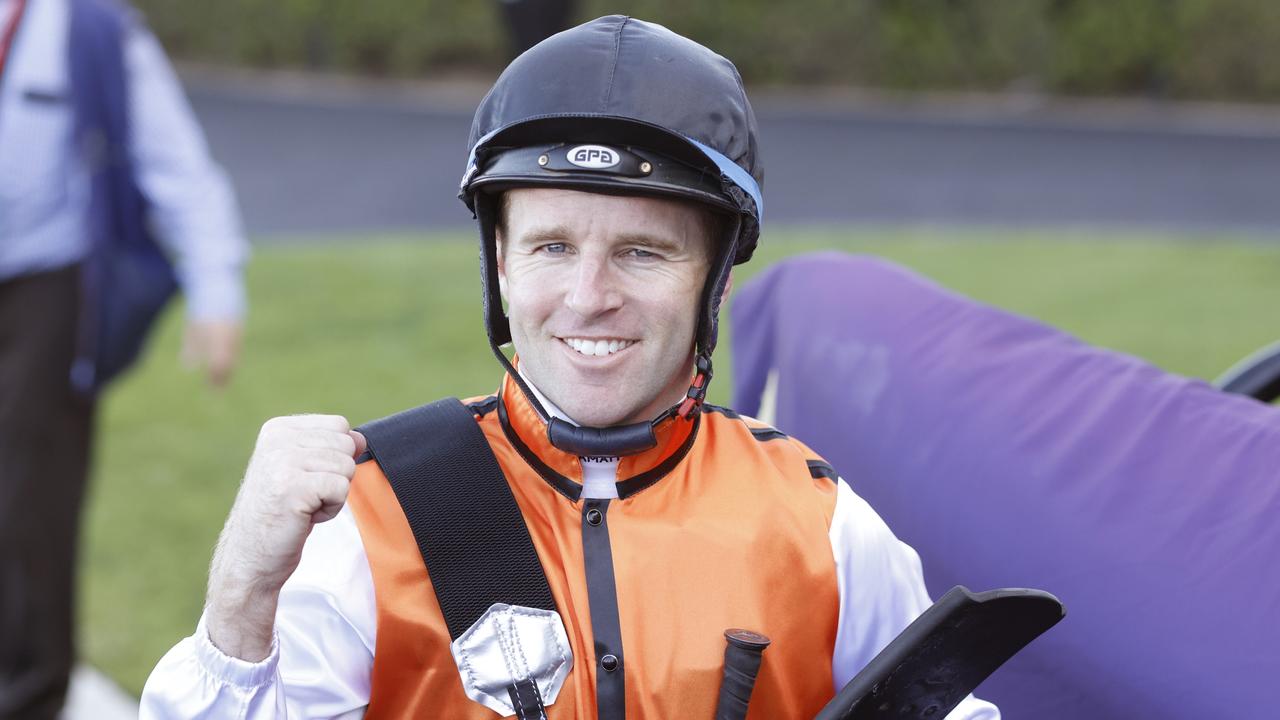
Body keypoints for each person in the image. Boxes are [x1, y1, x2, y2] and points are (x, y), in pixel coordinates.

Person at [141, 16, 995, 719]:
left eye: (643, 253)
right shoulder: (377, 515)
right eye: (553, 246)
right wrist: (241, 598)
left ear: (717, 282)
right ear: (502, 266)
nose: (590, 296)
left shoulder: (819, 526)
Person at [0, 0, 247, 717]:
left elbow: (174, 160)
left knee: (28, 502)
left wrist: (217, 289)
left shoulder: (89, 27)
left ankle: (31, 694)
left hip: (45, 287)